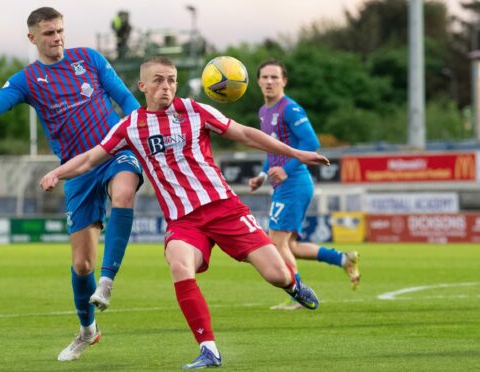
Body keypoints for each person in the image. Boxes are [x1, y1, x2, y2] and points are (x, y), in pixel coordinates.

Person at [39, 56, 330, 368]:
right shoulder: (130, 126)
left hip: (225, 209)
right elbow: (88, 159)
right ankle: (209, 349)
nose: (167, 86)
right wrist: (58, 173)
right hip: (184, 221)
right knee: (179, 264)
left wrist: (295, 152)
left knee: (277, 275)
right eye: (159, 80)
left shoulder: (194, 110)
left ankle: (293, 285)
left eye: (172, 80)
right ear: (142, 86)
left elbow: (245, 134)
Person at [0, 7, 143, 361]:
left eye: (60, 30)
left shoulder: (89, 59)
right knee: (81, 265)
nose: (57, 38)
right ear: (32, 38)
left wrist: (138, 131)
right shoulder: (26, 80)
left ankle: (107, 282)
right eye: (48, 33)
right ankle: (87, 331)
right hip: (76, 171)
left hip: (113, 152)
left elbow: (125, 99)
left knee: (124, 191)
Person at [248, 59, 361, 311]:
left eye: (274, 77)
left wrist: (286, 170)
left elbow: (311, 143)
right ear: (258, 81)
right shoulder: (264, 112)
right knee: (291, 247)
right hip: (285, 184)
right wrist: (263, 176)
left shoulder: (290, 109)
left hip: (295, 182)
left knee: (276, 242)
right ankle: (343, 259)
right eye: (265, 77)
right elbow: (273, 151)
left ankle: (298, 295)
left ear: (284, 81)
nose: (269, 82)